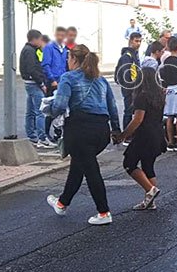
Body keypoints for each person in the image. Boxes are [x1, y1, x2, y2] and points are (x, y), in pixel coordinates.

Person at [46, 45, 121, 225]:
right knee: (79, 165)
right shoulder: (101, 80)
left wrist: (48, 110)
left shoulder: (68, 78)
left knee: (90, 170)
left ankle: (104, 212)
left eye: (68, 59)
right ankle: (62, 203)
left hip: (80, 130)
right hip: (101, 131)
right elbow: (112, 106)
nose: (67, 63)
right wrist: (116, 130)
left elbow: (60, 105)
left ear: (74, 59)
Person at [122, 66, 166, 211]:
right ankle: (150, 201)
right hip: (158, 134)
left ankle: (150, 190)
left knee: (129, 163)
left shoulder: (142, 96)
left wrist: (124, 135)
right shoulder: (160, 94)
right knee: (148, 166)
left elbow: (138, 120)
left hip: (144, 136)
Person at [19, 29, 53, 148]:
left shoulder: (29, 50)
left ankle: (31, 136)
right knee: (40, 111)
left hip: (29, 82)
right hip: (34, 83)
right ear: (34, 39)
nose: (41, 42)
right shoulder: (30, 51)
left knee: (31, 111)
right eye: (39, 40)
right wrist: (41, 83)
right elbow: (33, 69)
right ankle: (42, 138)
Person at [42, 27, 70, 141]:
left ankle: (58, 132)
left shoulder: (65, 49)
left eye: (63, 35)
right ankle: (46, 132)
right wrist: (52, 79)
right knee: (51, 107)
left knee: (63, 108)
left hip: (62, 80)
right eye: (59, 35)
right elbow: (45, 65)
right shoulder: (49, 48)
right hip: (53, 82)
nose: (61, 37)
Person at [116, 32, 143, 134]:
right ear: (131, 41)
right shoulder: (127, 56)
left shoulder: (134, 55)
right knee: (128, 110)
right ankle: (126, 134)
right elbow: (126, 74)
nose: (138, 43)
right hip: (130, 89)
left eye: (140, 41)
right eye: (136, 41)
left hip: (134, 87)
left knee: (133, 111)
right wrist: (131, 88)